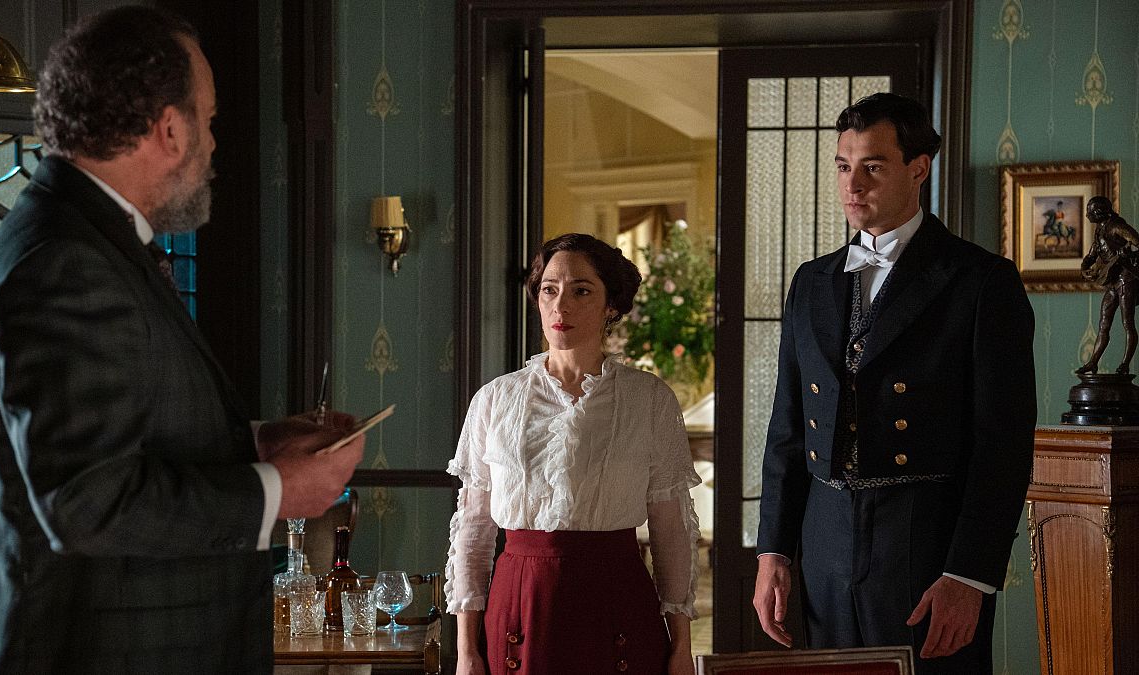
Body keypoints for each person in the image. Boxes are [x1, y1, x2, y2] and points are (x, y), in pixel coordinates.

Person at [0, 7, 364, 673]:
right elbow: (86, 502)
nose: (213, 142)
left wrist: (256, 444)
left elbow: (118, 437)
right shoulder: (65, 261)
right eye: (208, 119)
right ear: (169, 129)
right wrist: (276, 491)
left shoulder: (86, 241)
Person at [754, 93, 1036, 674]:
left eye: (873, 167)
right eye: (843, 166)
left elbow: (1002, 446)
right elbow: (787, 428)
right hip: (824, 540)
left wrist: (969, 575)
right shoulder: (812, 281)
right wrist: (773, 550)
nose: (852, 184)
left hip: (924, 541)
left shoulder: (979, 281)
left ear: (918, 168)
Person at [445, 233, 700, 675]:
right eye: (549, 289)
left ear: (610, 306)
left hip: (617, 601)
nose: (560, 305)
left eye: (581, 291)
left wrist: (680, 647)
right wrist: (467, 651)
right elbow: (474, 531)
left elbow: (671, 530)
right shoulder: (495, 400)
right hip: (520, 604)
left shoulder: (649, 399)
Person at [1076, 196, 1139, 374]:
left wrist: (1126, 255)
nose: (1087, 215)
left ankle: (1125, 364)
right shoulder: (1099, 230)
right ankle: (1093, 362)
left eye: (1090, 211)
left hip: (1126, 279)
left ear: (1099, 212)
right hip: (1111, 281)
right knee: (1104, 324)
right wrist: (1084, 268)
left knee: (1128, 323)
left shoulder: (1117, 226)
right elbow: (1091, 256)